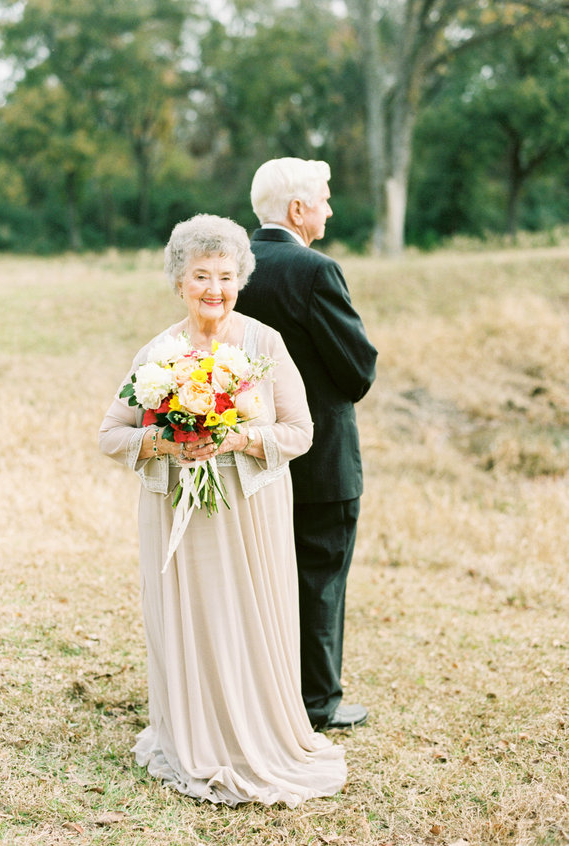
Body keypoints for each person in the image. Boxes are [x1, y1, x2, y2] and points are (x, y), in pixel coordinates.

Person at [98, 214, 346, 807]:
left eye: (227, 276)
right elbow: (111, 434)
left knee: (249, 618)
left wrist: (236, 439)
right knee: (196, 617)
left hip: (250, 512)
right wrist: (167, 443)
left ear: (242, 280)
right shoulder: (158, 354)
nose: (215, 288)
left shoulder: (264, 343)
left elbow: (300, 431)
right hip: (178, 514)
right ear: (179, 282)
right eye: (201, 276)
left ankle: (259, 734)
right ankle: (196, 732)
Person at [237, 158, 378, 731]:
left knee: (260, 575)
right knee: (320, 577)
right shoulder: (316, 271)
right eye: (323, 198)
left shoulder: (232, 266)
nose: (329, 208)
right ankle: (317, 704)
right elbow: (357, 371)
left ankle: (259, 692)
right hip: (320, 458)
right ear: (298, 209)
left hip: (248, 451)